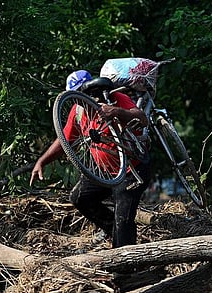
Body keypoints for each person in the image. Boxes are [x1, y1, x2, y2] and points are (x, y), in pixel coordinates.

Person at [30, 70, 151, 248]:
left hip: (131, 170)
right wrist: (42, 161)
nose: (80, 100)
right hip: (105, 172)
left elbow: (142, 118)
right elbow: (65, 140)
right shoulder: (78, 110)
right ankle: (113, 232)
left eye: (83, 93)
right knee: (80, 197)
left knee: (123, 218)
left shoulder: (114, 98)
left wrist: (116, 111)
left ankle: (125, 268)